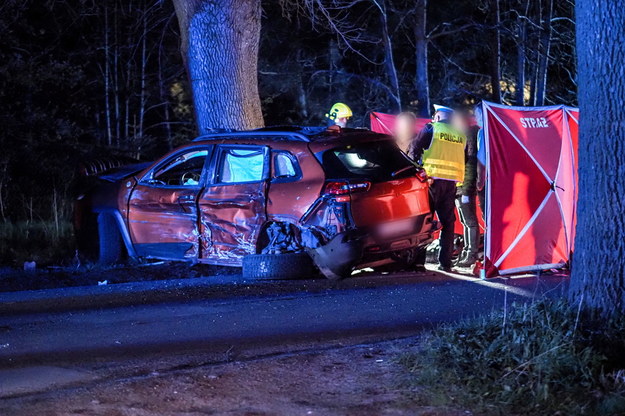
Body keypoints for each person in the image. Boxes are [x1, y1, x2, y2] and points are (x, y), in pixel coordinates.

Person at [409, 104, 466, 272]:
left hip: (430, 182)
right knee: (448, 223)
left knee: (424, 221)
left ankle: (418, 262)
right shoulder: (460, 135)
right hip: (451, 185)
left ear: (438, 117)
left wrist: (415, 171)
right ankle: (445, 263)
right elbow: (464, 160)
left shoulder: (431, 128)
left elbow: (414, 150)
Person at [452, 110, 480, 268]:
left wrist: (466, 189)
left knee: (470, 221)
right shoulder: (461, 138)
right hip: (459, 187)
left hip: (464, 187)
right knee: (465, 221)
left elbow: (470, 164)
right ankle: (467, 252)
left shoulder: (468, 136)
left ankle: (471, 254)